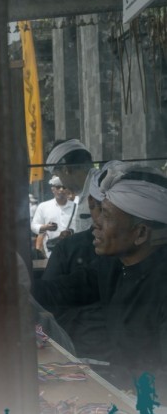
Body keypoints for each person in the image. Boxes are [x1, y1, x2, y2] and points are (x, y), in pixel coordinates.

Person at [33, 165, 167, 391]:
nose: (96, 223)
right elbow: (64, 290)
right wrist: (15, 291)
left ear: (141, 233)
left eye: (106, 215)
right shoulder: (113, 266)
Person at [45, 138, 95, 235]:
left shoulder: (102, 192)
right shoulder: (85, 193)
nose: (63, 185)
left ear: (65, 169)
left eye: (58, 175)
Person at [31, 176, 77, 258]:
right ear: (53, 189)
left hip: (73, 251)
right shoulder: (43, 206)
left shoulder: (76, 207)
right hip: (52, 253)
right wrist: (45, 227)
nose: (61, 190)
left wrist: (71, 232)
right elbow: (34, 226)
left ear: (68, 189)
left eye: (64, 187)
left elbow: (83, 226)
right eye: (58, 187)